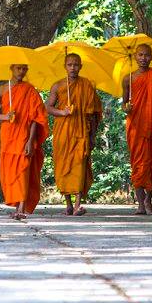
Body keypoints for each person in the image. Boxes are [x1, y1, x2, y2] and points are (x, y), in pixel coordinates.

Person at [48, 52, 102, 215]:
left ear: (81, 66)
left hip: (81, 131)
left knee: (79, 165)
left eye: (76, 64)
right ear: (65, 67)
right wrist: (62, 112)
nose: (73, 67)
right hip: (63, 131)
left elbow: (93, 113)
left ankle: (78, 204)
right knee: (64, 166)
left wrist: (92, 136)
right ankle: (68, 204)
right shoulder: (57, 86)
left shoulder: (87, 85)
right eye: (70, 65)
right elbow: (48, 107)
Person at [0, 62, 47, 219]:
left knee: (22, 170)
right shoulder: (1, 90)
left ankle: (21, 208)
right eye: (18, 68)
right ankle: (17, 206)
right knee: (9, 173)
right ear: (11, 69)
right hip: (7, 136)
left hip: (24, 134)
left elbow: (36, 118)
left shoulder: (30, 90)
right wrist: (5, 117)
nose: (21, 71)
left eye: (24, 69)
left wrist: (30, 140)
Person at [121, 43, 152, 216]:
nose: (143, 58)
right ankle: (140, 204)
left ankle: (149, 200)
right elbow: (124, 103)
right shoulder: (128, 78)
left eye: (146, 55)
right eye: (140, 55)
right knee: (138, 164)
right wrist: (126, 108)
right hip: (135, 126)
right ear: (135, 56)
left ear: (151, 57)